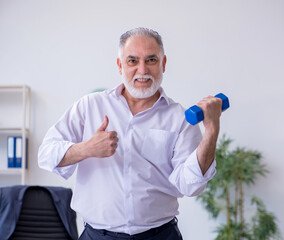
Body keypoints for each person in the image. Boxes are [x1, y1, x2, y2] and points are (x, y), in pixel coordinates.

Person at [38, 27, 223, 240]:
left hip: (160, 235)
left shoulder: (179, 117)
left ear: (163, 64)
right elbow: (46, 155)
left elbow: (191, 185)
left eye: (151, 60)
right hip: (97, 236)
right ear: (120, 65)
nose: (142, 70)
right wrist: (86, 149)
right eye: (132, 61)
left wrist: (212, 129)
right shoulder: (90, 106)